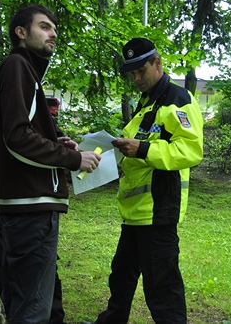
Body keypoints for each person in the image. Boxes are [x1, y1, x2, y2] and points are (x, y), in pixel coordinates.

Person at [0, 4, 101, 324]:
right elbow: (17, 137)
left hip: (27, 206)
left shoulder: (24, 70)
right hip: (31, 208)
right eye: (44, 27)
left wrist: (57, 142)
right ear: (21, 33)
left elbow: (21, 132)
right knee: (33, 310)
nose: (53, 34)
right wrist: (73, 158)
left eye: (54, 29)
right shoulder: (17, 65)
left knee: (33, 304)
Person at [87, 38, 204, 324]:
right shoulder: (147, 103)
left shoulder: (177, 100)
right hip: (136, 214)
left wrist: (141, 149)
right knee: (122, 277)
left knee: (162, 289)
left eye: (141, 70)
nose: (136, 78)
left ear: (158, 63)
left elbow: (190, 151)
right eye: (132, 73)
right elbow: (138, 153)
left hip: (158, 212)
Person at [0, 100, 67, 324]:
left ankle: (55, 319)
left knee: (45, 267)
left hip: (38, 208)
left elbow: (53, 145)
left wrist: (62, 146)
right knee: (3, 266)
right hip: (4, 206)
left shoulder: (34, 108)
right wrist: (21, 173)